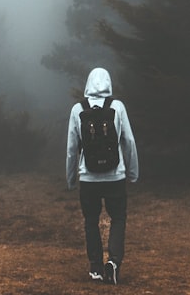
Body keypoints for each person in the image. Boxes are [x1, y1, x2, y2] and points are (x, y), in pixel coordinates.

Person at [66, 67, 139, 285]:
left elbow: (72, 148)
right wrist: (133, 173)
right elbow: (129, 142)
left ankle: (96, 268)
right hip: (115, 176)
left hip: (88, 178)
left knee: (91, 221)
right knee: (118, 218)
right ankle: (114, 262)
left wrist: (71, 178)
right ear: (109, 83)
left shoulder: (77, 109)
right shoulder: (117, 107)